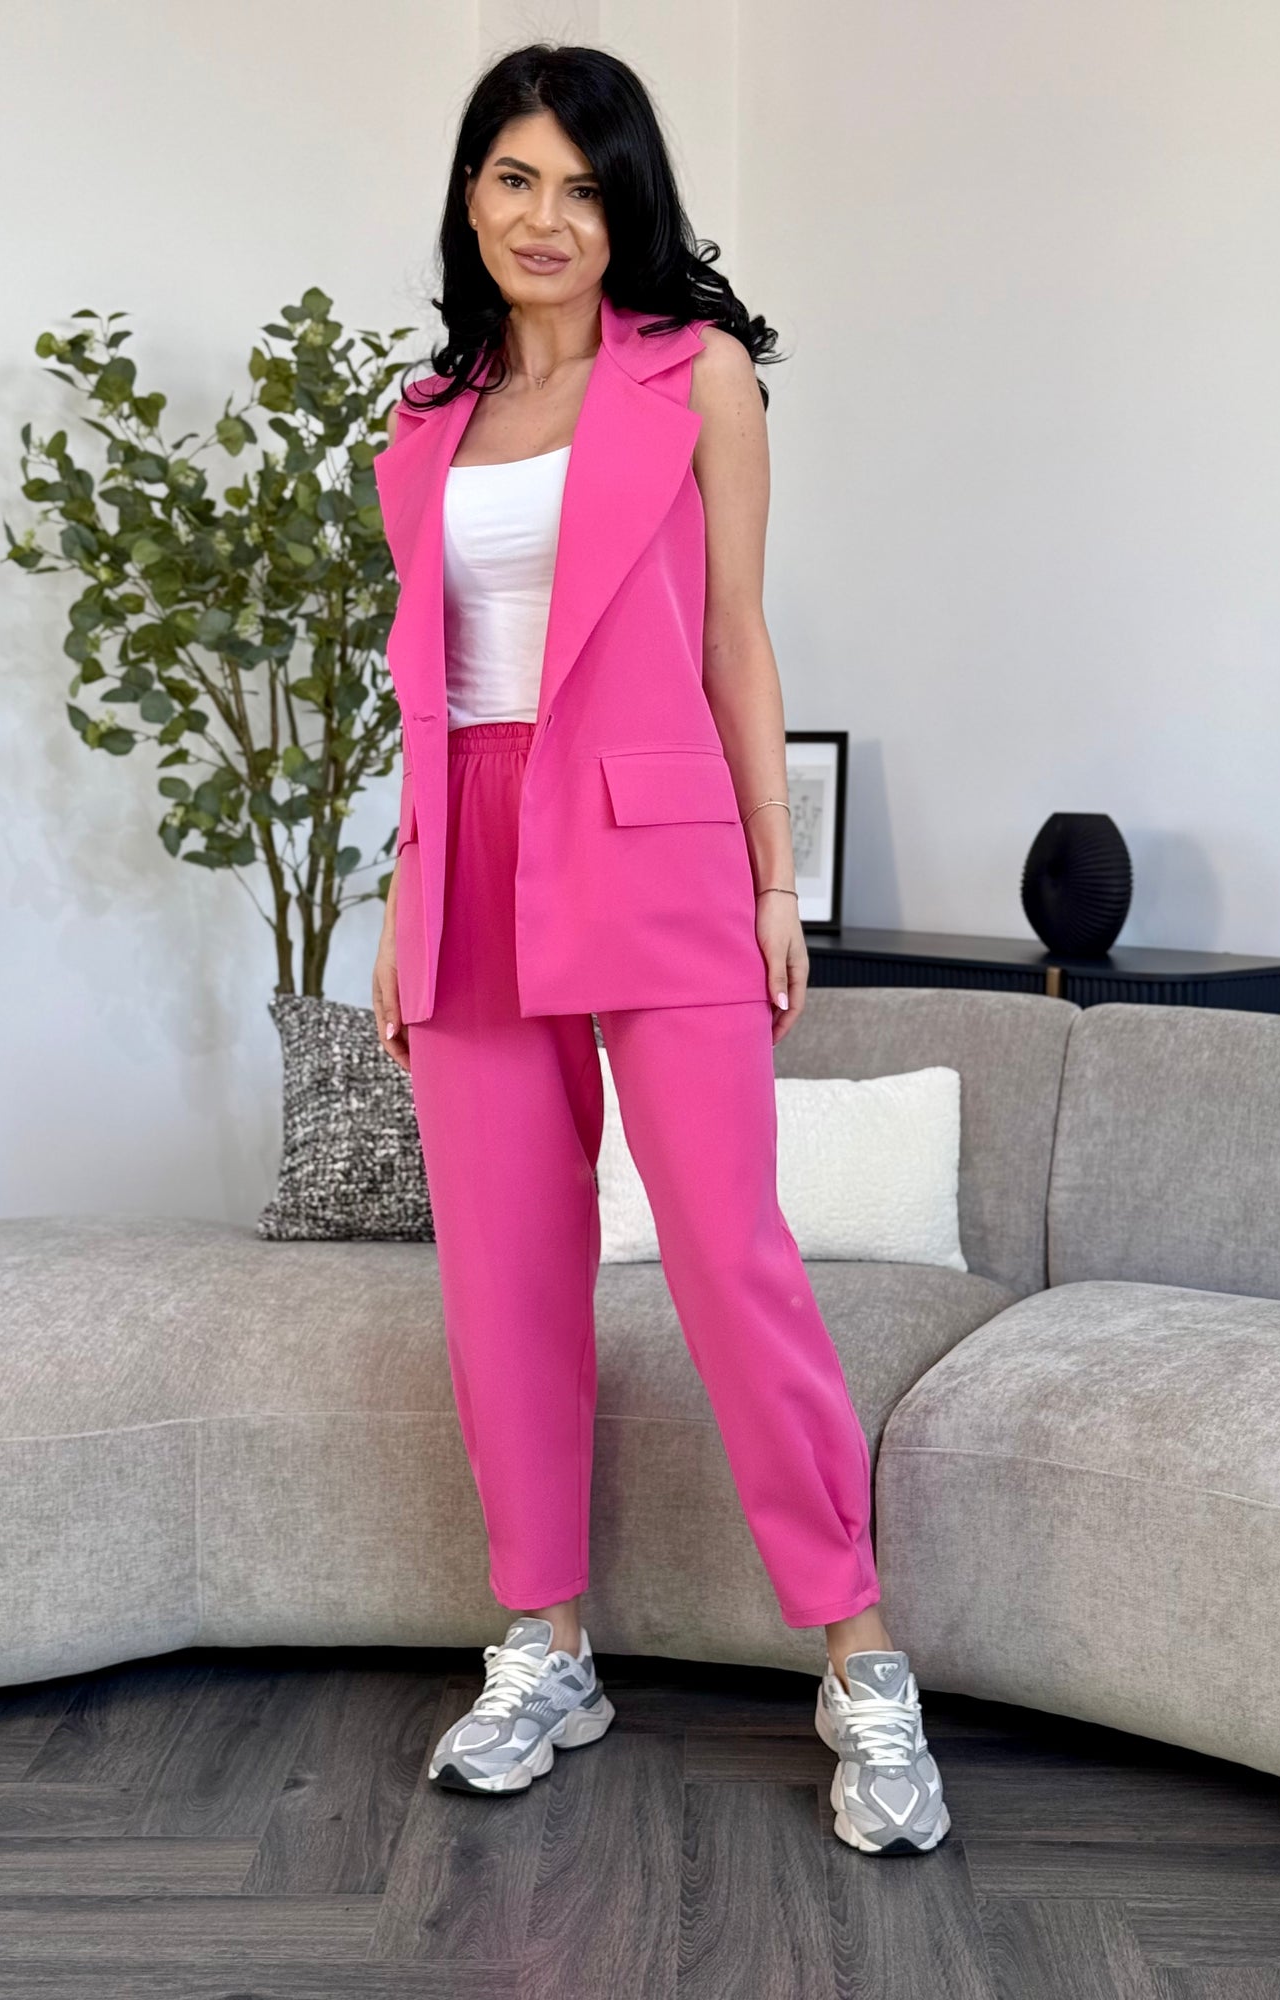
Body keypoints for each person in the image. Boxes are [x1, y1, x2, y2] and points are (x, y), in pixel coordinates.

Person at [370, 43, 949, 1857]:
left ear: (628, 210)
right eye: (516, 178)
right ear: (471, 195)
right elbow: (431, 695)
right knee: (503, 1278)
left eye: (584, 186)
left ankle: (858, 1655)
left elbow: (735, 640)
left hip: (657, 852)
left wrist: (776, 886)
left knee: (727, 1257)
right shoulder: (424, 415)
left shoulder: (694, 377)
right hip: (468, 866)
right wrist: (401, 899)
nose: (547, 218)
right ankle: (544, 1641)